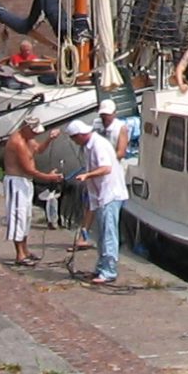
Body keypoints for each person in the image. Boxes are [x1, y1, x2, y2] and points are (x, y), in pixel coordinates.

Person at [69, 118, 127, 286]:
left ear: (79, 135)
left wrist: (87, 176)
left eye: (74, 139)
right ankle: (101, 267)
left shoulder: (98, 144)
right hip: (101, 196)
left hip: (111, 195)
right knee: (101, 234)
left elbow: (106, 168)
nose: (74, 143)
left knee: (109, 233)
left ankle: (109, 271)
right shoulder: (89, 146)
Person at [0, 113, 60, 267]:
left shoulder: (28, 139)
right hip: (16, 182)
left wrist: (49, 139)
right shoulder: (17, 142)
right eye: (34, 132)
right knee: (18, 216)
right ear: (26, 129)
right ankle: (19, 254)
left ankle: (25, 250)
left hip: (26, 182)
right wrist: (48, 178)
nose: (36, 134)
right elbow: (28, 168)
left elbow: (38, 149)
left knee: (26, 216)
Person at [0, 0, 64, 52]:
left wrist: (52, 45)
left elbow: (37, 36)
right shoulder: (28, 27)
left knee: (6, 17)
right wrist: (53, 45)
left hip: (21, 23)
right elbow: (38, 36)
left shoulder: (26, 27)